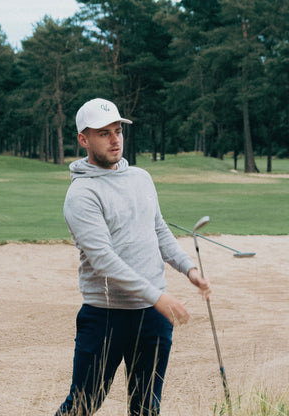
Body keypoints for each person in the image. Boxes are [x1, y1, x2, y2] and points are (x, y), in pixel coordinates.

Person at [55, 98, 211, 416]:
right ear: (84, 139)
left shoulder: (141, 178)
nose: (115, 140)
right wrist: (158, 297)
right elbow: (104, 260)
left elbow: (159, 231)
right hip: (106, 316)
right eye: (104, 133)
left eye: (117, 130)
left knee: (146, 408)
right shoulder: (81, 194)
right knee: (83, 405)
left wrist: (189, 269)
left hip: (153, 317)